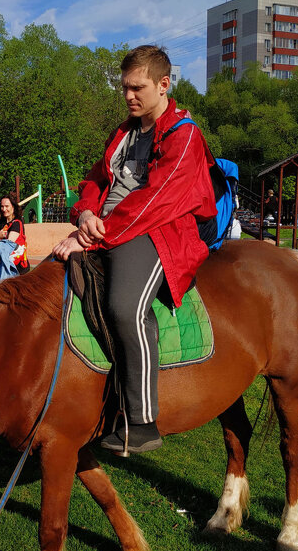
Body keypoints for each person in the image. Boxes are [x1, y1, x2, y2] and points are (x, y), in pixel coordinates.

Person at [50, 45, 217, 454]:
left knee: (126, 306)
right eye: (124, 88)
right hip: (107, 226)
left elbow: (156, 200)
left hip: (158, 231)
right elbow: (94, 179)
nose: (128, 96)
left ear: (164, 85)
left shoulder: (185, 135)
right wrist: (86, 212)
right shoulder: (123, 132)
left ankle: (141, 422)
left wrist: (93, 236)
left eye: (137, 87)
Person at [0, 195, 29, 281]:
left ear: (13, 206)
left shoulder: (17, 223)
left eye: (7, 206)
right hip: (5, 263)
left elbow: (7, 246)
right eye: (2, 206)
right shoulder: (2, 222)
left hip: (17, 266)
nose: (4, 209)